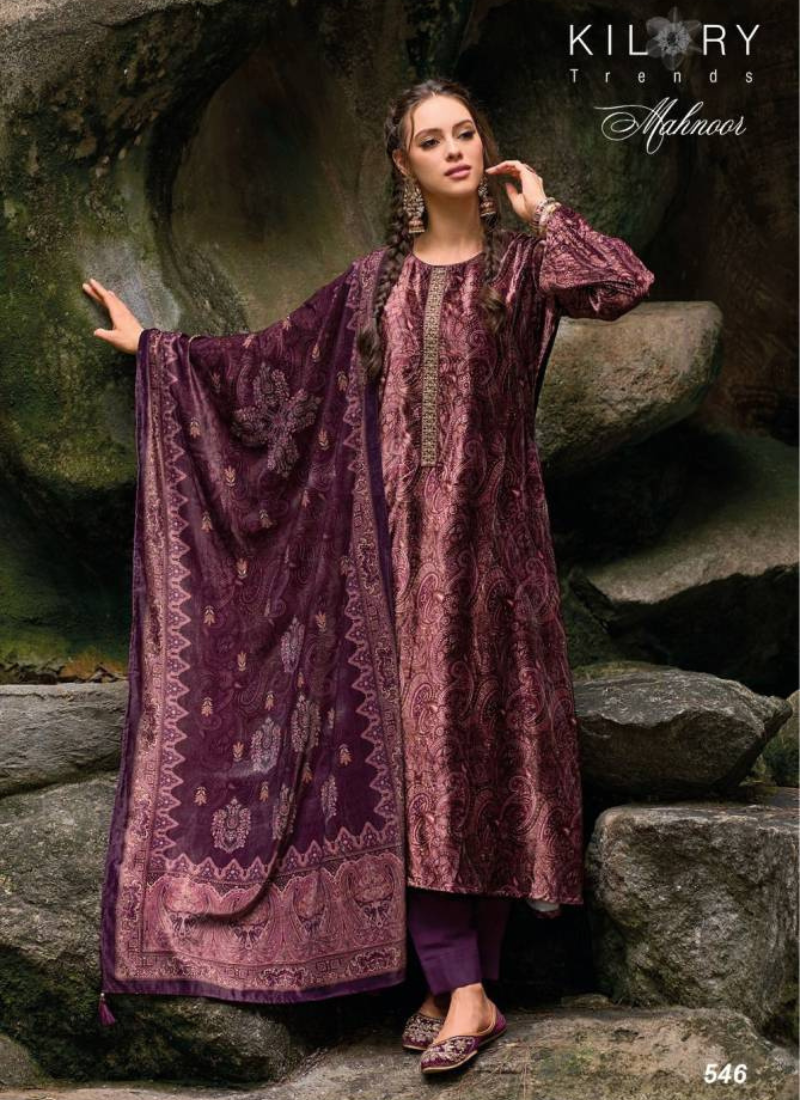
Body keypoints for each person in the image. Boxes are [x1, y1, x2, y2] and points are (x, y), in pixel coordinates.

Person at [84, 77, 654, 1076]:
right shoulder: (371, 287)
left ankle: (459, 982)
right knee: (417, 761)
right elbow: (267, 370)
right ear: (401, 163)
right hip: (390, 564)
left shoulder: (523, 270)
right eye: (431, 140)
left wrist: (545, 210)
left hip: (499, 561)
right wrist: (161, 355)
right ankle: (462, 986)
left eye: (466, 132)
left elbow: (620, 284)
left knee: (482, 758)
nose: (455, 150)